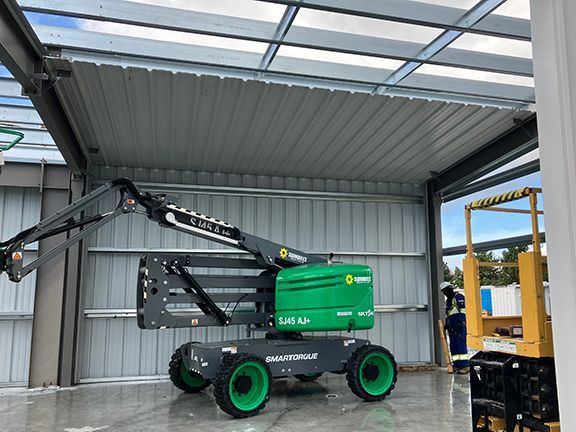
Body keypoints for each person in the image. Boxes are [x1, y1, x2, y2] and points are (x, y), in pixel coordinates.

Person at [440, 281, 469, 374]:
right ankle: (457, 365)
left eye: (445, 291)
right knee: (454, 346)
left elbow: (463, 310)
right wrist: (447, 324)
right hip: (452, 327)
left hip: (459, 326)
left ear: (449, 288)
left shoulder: (458, 297)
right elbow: (448, 314)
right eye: (443, 291)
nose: (444, 293)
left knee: (461, 346)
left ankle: (464, 366)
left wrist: (462, 322)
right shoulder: (448, 300)